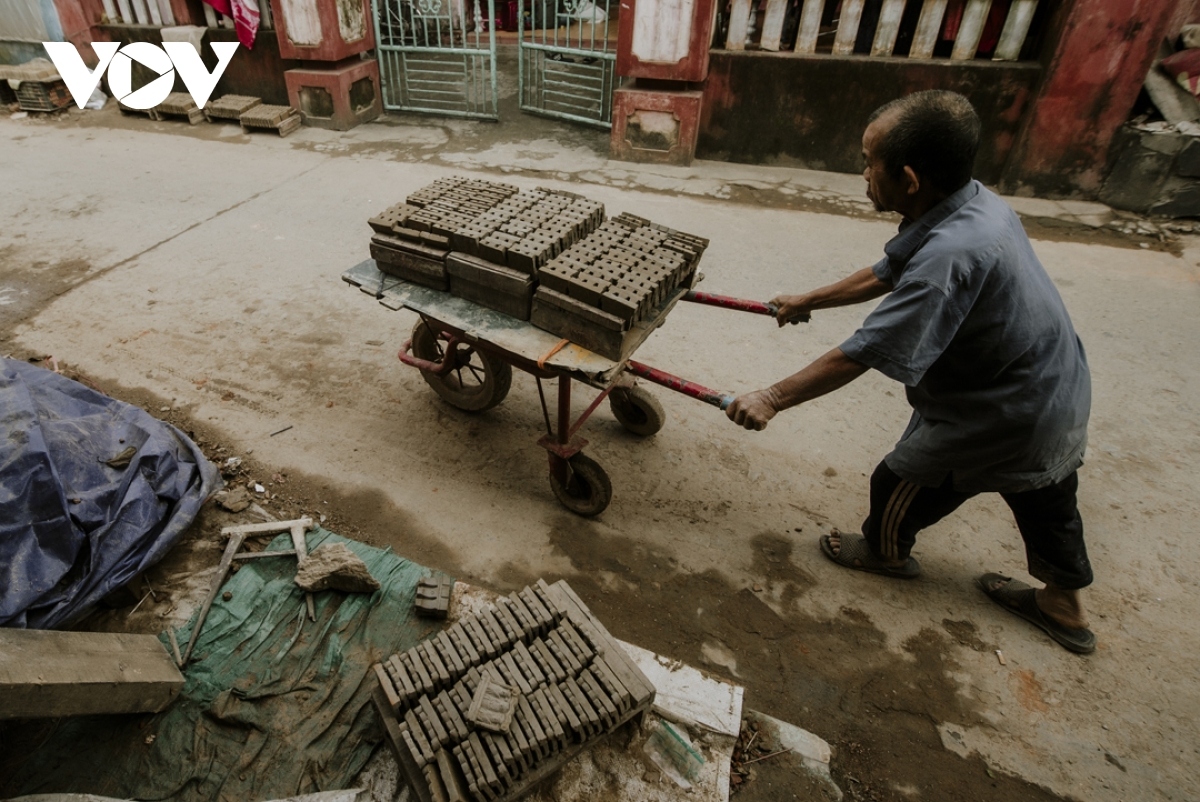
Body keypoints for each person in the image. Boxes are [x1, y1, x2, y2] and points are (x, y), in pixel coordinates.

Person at [725, 90, 1096, 654]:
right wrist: (808, 299)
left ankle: (885, 552)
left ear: (910, 178)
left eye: (869, 162)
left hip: (999, 409)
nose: (862, 174)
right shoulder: (974, 204)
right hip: (1052, 392)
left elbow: (865, 350)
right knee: (1045, 490)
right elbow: (889, 269)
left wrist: (772, 396)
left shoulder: (949, 257)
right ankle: (1064, 603)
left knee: (898, 480)